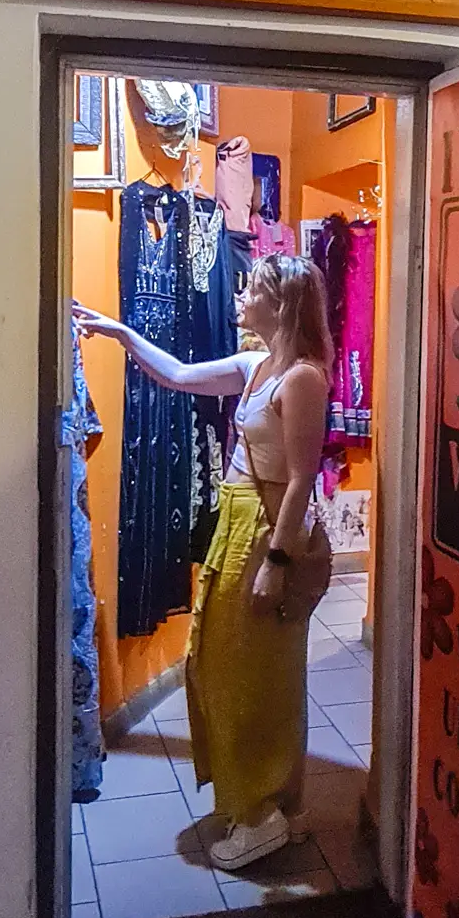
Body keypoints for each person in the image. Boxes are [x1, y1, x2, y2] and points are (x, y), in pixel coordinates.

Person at [74, 252, 331, 872]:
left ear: (283, 303)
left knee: (252, 672)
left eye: (253, 288)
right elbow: (180, 374)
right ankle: (271, 805)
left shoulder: (301, 379)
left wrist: (275, 559)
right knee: (225, 663)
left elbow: (300, 480)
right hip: (239, 521)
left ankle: (263, 811)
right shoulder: (257, 366)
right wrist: (119, 331)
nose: (240, 295)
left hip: (269, 530)